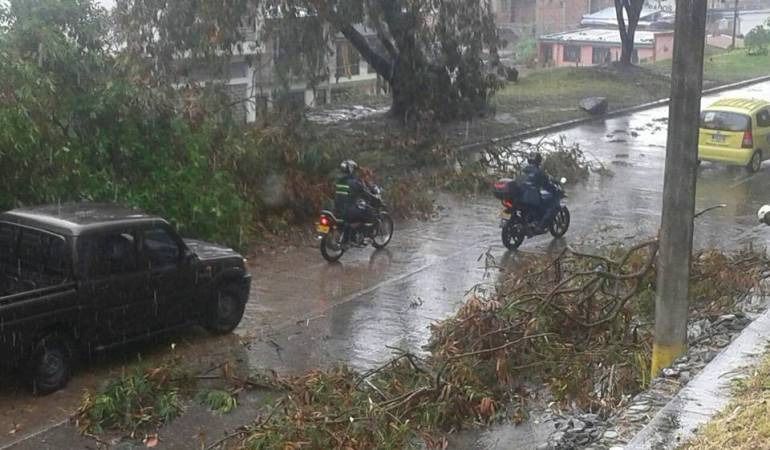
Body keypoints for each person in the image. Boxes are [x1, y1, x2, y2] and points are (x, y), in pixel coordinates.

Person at [334, 160, 376, 243]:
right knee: (369, 212)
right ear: (351, 170)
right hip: (348, 210)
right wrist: (370, 199)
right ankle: (366, 236)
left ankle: (351, 235)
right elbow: (365, 194)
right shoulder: (354, 182)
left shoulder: (339, 181)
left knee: (354, 214)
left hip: (337, 209)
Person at [521, 152, 559, 233]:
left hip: (522, 195)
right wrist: (554, 190)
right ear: (539, 161)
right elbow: (546, 184)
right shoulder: (539, 172)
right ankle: (540, 227)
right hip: (532, 197)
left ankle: (533, 222)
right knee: (552, 207)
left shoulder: (523, 169)